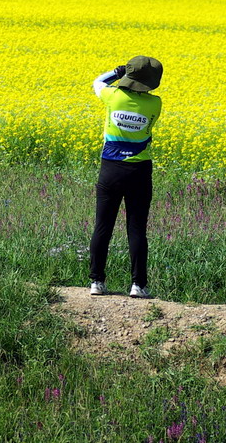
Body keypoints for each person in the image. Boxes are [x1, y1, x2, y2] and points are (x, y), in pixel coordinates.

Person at [88, 55, 163, 299]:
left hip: (110, 169)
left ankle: (97, 282)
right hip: (140, 171)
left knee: (103, 226)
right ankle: (138, 286)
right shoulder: (155, 104)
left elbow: (98, 82)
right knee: (137, 229)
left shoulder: (112, 96)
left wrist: (117, 71)